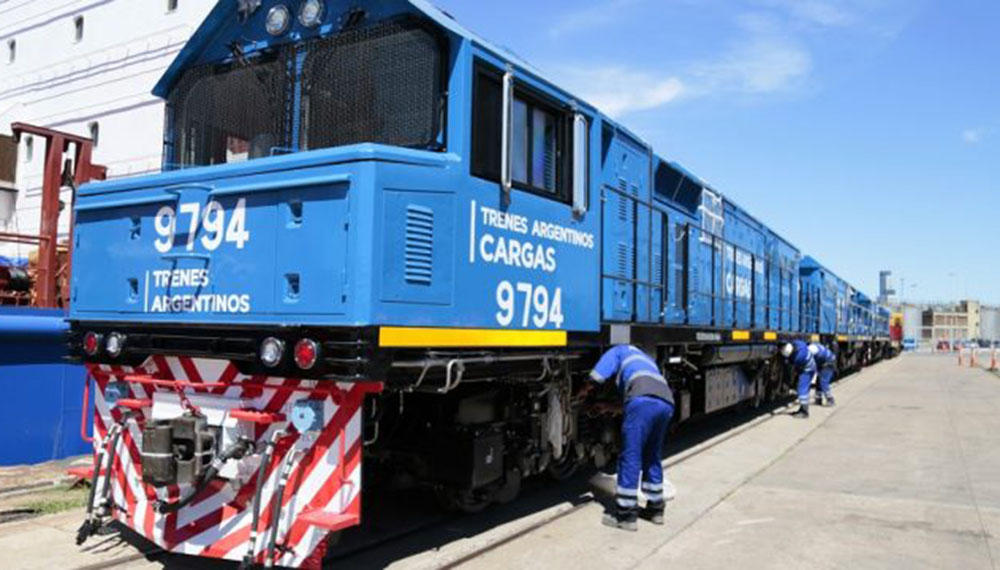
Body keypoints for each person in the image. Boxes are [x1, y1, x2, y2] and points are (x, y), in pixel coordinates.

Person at [581, 345, 675, 531]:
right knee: (652, 455)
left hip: (641, 401)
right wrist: (607, 407)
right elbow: (638, 403)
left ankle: (625, 515)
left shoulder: (617, 350)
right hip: (666, 403)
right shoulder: (645, 359)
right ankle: (656, 510)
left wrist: (584, 389)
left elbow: (598, 376)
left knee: (630, 456)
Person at [781, 340, 816, 419]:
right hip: (811, 365)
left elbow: (793, 369)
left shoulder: (797, 358)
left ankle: (804, 412)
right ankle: (801, 409)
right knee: (804, 389)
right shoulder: (798, 343)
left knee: (802, 389)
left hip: (807, 370)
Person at [809, 342, 837, 407]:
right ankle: (818, 399)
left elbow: (814, 365)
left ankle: (830, 400)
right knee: (818, 381)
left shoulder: (820, 355)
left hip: (828, 365)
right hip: (825, 364)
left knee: (823, 382)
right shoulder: (814, 347)